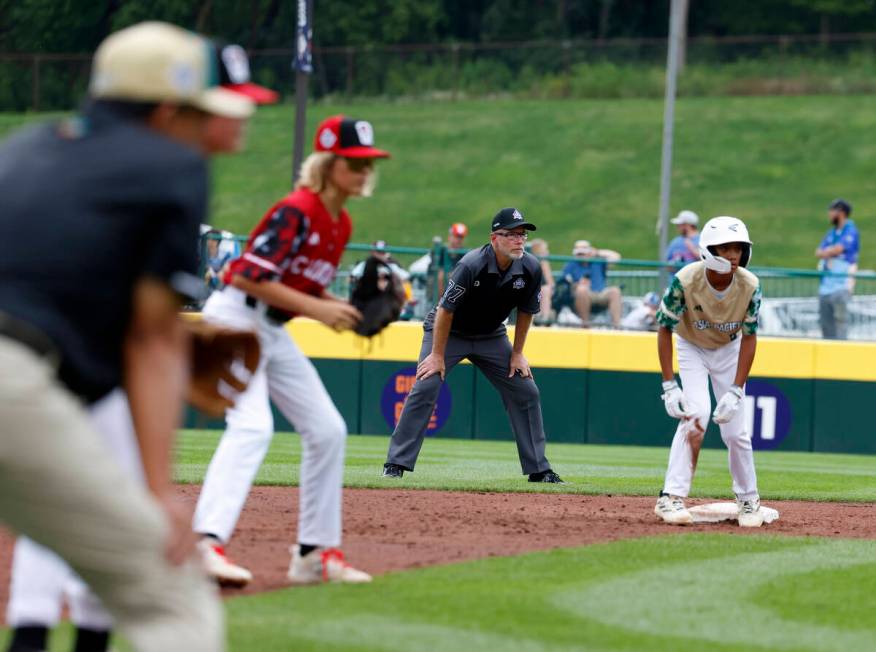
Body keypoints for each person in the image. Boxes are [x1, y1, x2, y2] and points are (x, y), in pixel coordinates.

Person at [4, 39, 276, 652]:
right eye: (206, 108)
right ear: (164, 112)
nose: (223, 122)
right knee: (175, 597)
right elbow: (152, 337)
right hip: (15, 380)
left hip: (39, 373)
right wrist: (159, 495)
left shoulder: (26, 149)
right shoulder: (170, 169)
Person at [192, 114, 390, 587]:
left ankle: (314, 555)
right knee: (253, 425)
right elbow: (245, 275)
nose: (363, 172)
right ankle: (203, 544)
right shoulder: (296, 210)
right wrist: (318, 311)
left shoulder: (340, 222)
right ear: (327, 164)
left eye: (368, 164)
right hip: (235, 318)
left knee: (328, 430)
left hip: (272, 327)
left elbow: (299, 284)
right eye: (353, 164)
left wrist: (338, 306)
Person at [382, 208, 563, 484]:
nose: (519, 240)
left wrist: (517, 354)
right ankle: (395, 463)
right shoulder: (471, 264)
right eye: (511, 234)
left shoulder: (530, 267)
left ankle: (539, 468)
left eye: (522, 234)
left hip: (491, 335)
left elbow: (527, 311)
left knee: (526, 390)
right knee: (427, 383)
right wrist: (437, 355)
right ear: (494, 238)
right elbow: (445, 311)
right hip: (449, 331)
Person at [653, 216, 764, 528]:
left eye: (738, 249)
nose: (732, 255)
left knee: (737, 430)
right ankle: (670, 497)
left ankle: (749, 499)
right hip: (692, 347)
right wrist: (669, 385)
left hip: (729, 349)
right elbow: (663, 329)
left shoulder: (750, 286)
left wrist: (737, 389)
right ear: (707, 250)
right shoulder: (685, 280)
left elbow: (750, 338)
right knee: (697, 415)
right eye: (724, 248)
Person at [815, 199, 859, 340]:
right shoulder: (832, 233)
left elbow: (840, 248)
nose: (830, 214)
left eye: (832, 211)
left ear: (841, 212)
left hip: (841, 285)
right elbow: (818, 252)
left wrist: (829, 252)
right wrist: (830, 252)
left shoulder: (851, 230)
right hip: (826, 286)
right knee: (825, 324)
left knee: (841, 324)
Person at [561, 240, 623, 328]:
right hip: (583, 295)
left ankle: (617, 326)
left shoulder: (597, 262)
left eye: (583, 252)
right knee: (581, 290)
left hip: (601, 293)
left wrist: (597, 252)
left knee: (615, 291)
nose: (581, 255)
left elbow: (616, 257)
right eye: (579, 253)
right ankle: (585, 325)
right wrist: (577, 284)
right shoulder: (570, 265)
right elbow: (566, 283)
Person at [528, 238, 555, 325]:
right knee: (545, 290)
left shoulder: (538, 261)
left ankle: (543, 317)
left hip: (540, 289)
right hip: (534, 289)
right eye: (545, 250)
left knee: (545, 290)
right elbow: (549, 281)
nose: (547, 252)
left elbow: (549, 283)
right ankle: (543, 318)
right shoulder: (542, 261)